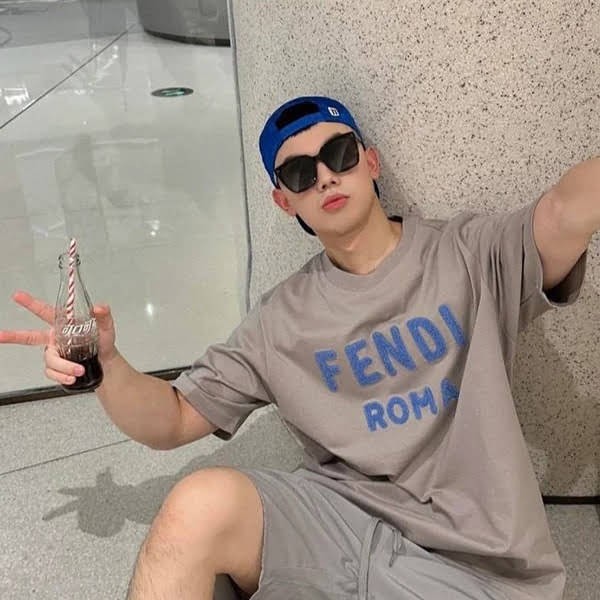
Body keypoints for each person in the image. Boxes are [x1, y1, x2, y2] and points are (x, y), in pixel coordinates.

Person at [0, 95, 597, 600]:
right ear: (284, 201)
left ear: (370, 161)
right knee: (198, 505)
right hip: (341, 532)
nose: (326, 177)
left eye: (338, 155)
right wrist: (106, 364)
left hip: (478, 567)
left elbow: (565, 211)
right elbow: (174, 418)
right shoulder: (281, 318)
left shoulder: (469, 253)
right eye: (300, 173)